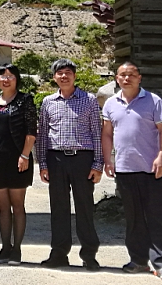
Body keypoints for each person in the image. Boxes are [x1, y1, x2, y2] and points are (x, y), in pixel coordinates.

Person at [102, 62, 162, 281]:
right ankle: (138, 260)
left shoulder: (154, 101)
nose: (127, 79)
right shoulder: (110, 104)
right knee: (133, 217)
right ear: (117, 78)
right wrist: (108, 160)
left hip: (150, 168)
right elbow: (107, 134)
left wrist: (161, 157)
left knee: (156, 216)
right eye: (122, 75)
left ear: (139, 78)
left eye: (131, 75)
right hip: (124, 168)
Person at [36, 58, 103, 271]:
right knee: (59, 208)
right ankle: (59, 253)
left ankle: (89, 255)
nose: (64, 76)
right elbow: (43, 135)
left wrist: (98, 164)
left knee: (85, 207)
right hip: (56, 159)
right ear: (54, 77)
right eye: (60, 73)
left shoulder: (89, 100)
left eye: (68, 72)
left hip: (83, 158)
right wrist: (42, 163)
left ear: (74, 76)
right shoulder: (48, 102)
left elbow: (97, 133)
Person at [0, 63, 37, 266]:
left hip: (19, 159)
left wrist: (25, 155)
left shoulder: (25, 100)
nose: (6, 79)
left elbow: (31, 131)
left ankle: (17, 250)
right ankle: (5, 248)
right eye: (2, 76)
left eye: (10, 76)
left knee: (17, 205)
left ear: (17, 79)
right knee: (3, 207)